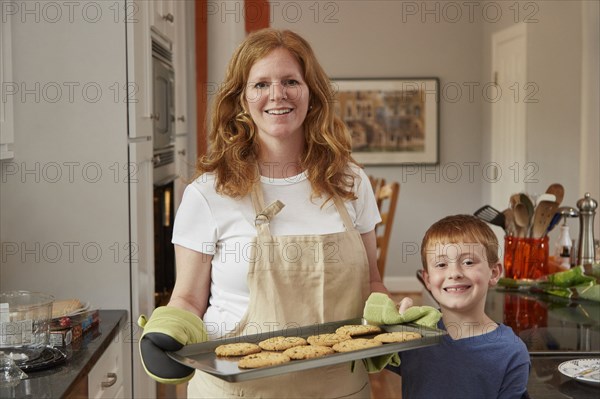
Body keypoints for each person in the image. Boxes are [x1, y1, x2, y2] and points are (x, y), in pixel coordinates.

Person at [139, 28, 388, 398]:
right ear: (240, 98)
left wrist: (391, 316)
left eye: (291, 81)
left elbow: (372, 284)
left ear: (311, 93)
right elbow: (188, 298)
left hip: (340, 388)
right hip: (238, 389)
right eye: (260, 85)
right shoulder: (209, 193)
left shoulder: (349, 182)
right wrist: (169, 330)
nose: (277, 95)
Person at [391, 214, 530, 399]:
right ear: (428, 280)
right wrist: (390, 318)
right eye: (441, 264)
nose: (454, 273)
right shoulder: (412, 334)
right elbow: (361, 347)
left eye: (468, 262)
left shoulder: (511, 353)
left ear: (494, 273)